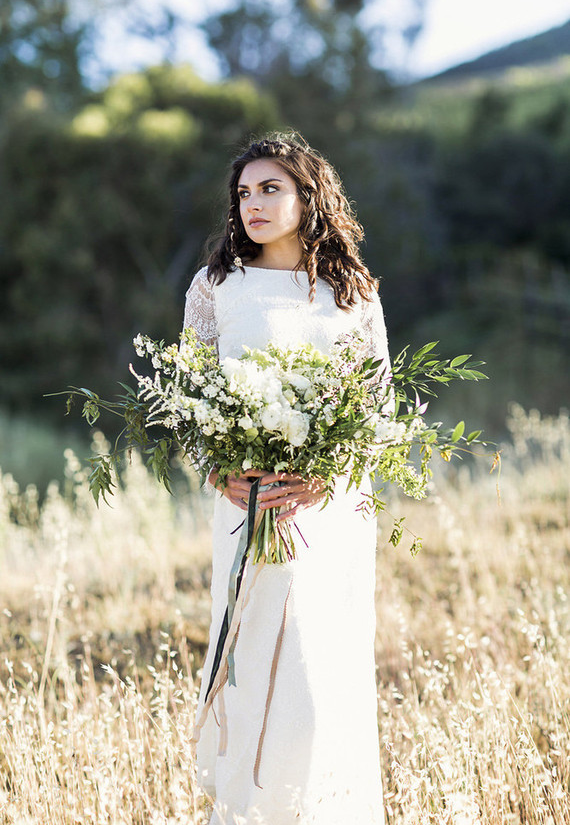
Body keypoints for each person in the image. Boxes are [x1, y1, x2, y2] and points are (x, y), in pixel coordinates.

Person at [183, 133, 390, 825]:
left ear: (308, 194)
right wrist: (221, 472)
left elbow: (375, 406)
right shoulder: (216, 287)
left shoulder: (350, 291)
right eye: (244, 193)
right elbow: (192, 400)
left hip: (323, 515)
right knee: (251, 673)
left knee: (312, 675)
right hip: (246, 512)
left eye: (270, 188)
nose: (254, 204)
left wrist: (326, 479)